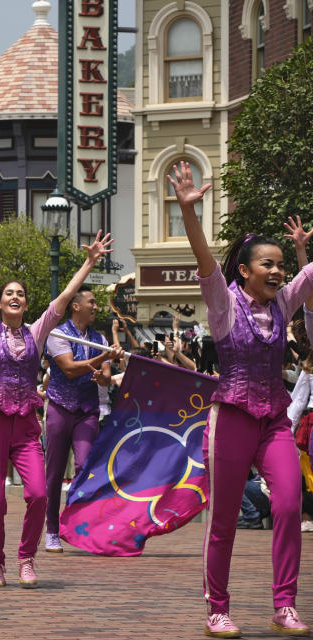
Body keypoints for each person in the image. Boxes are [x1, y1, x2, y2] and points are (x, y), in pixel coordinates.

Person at [169, 160, 311, 637]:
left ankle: (283, 604)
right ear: (246, 271)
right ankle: (217, 606)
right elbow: (205, 260)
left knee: (289, 503)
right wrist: (190, 213)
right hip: (229, 418)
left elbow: (309, 274)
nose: (277, 271)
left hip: (273, 420)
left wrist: (301, 251)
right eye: (268, 264)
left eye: (280, 266)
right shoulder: (223, 303)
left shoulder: (284, 303)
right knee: (224, 518)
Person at [0, 221, 112, 589]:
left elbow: (62, 300)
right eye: (9, 294)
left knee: (40, 494)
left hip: (27, 426)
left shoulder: (37, 332)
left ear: (26, 304)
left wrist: (89, 264)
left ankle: (26, 558)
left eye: (21, 294)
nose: (15, 297)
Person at [42, 285, 121, 553]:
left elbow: (107, 375)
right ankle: (51, 529)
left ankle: (77, 525)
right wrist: (102, 357)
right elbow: (69, 369)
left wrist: (103, 376)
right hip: (59, 409)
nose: (96, 307)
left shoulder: (98, 337)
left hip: (87, 411)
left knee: (85, 466)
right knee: (53, 474)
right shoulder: (56, 334)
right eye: (92, 302)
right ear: (75, 306)